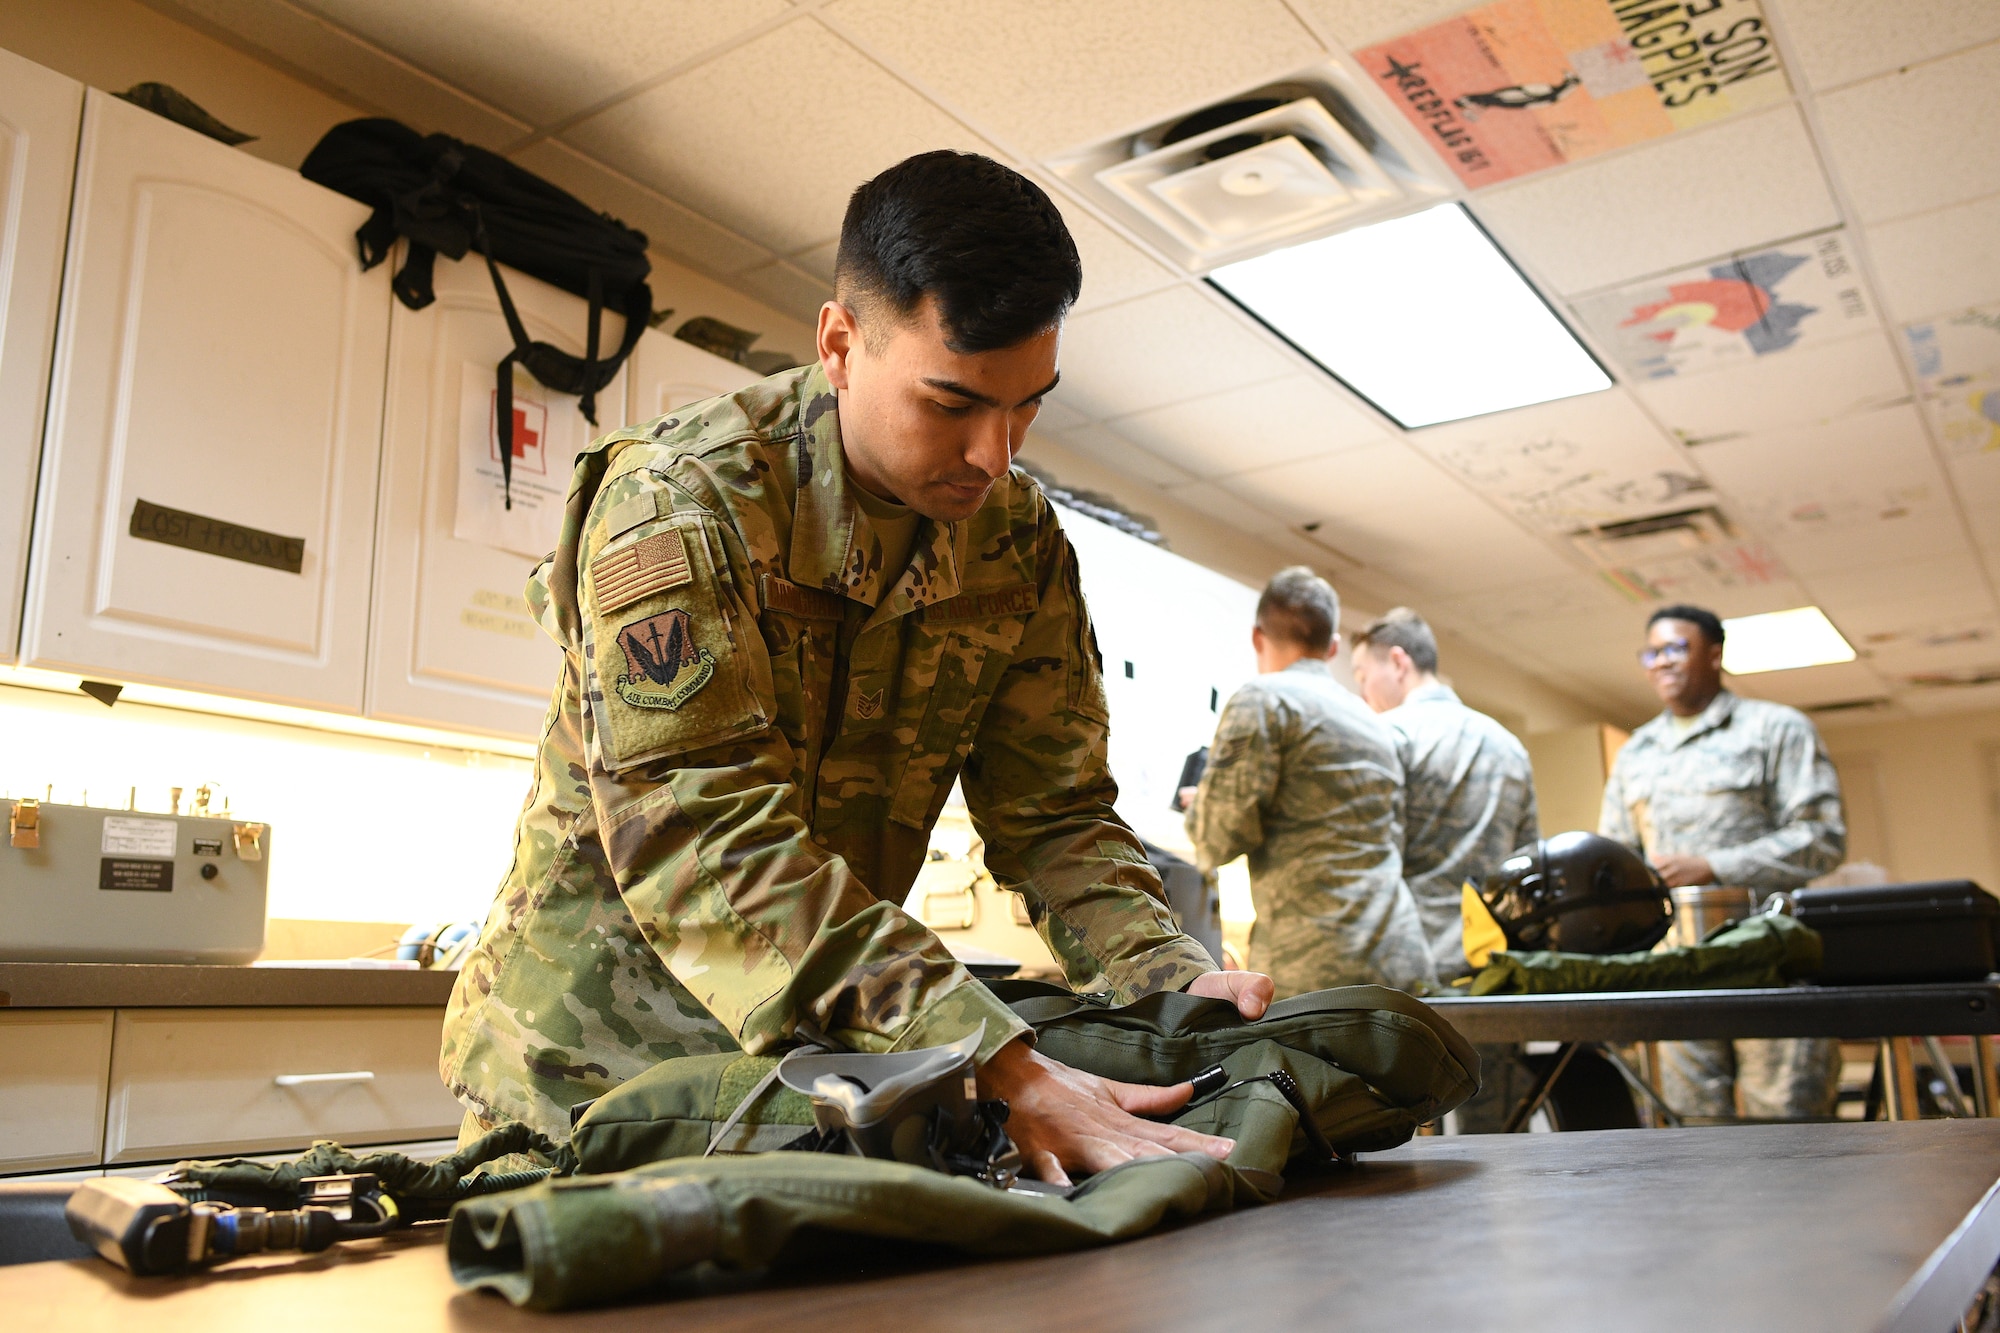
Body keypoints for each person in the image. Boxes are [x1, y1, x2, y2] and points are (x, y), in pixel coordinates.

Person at [439, 150, 1273, 1188]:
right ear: (839, 342)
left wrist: (1169, 976)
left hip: (809, 1070)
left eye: (1027, 405)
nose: (994, 454)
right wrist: (993, 1058)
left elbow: (1053, 813)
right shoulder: (680, 504)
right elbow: (706, 841)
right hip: (590, 1077)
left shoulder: (1014, 541)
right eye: (953, 402)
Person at [1601, 604, 1846, 1120]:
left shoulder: (1776, 729)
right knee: (1690, 1130)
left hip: (1770, 959)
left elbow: (1822, 838)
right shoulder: (1637, 752)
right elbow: (1617, 855)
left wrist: (1715, 865)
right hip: (1677, 968)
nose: (1662, 662)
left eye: (1677, 649)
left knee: (1789, 1124)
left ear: (1714, 656)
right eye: (1652, 652)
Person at [1182, 568, 1435, 998]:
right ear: (1332, 646)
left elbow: (1217, 839)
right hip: (1400, 960)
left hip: (1315, 969)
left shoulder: (1263, 700)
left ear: (1257, 637)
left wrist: (1201, 804)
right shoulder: (1375, 724)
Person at [1350, 607, 1540, 979]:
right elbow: (1528, 865)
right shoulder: (1509, 746)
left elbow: (1367, 866)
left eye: (1363, 675)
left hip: (1414, 972)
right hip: (1496, 969)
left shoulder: (1386, 736)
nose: (1362, 690)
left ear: (1398, 661)